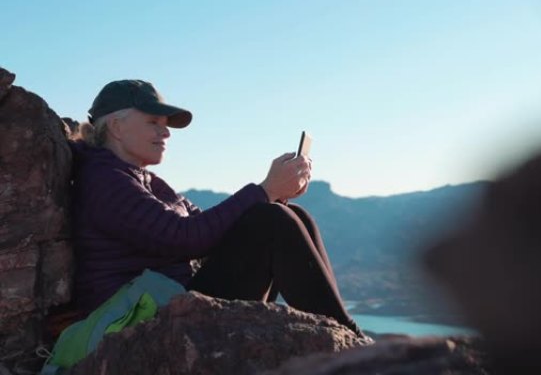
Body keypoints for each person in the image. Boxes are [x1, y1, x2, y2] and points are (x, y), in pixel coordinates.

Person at [69, 79, 366, 338]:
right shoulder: (104, 180)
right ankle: (352, 346)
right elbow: (184, 238)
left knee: (291, 216)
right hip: (137, 321)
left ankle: (343, 335)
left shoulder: (146, 180)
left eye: (165, 125)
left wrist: (275, 195)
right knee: (271, 221)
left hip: (167, 302)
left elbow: (214, 229)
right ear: (117, 127)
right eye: (153, 122)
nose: (166, 133)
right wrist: (266, 191)